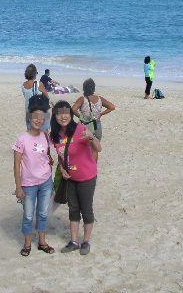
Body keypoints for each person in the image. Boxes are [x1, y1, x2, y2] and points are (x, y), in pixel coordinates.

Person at [51, 100, 101, 255]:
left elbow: (99, 148)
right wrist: (61, 168)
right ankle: (73, 241)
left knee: (86, 209)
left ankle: (85, 241)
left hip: (87, 177)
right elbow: (61, 155)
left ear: (71, 115)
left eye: (66, 113)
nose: (63, 117)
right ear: (55, 116)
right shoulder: (55, 135)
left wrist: (91, 137)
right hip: (70, 178)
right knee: (73, 209)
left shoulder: (80, 129)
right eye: (59, 114)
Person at [12, 95, 55, 257]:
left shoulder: (45, 136)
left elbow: (49, 153)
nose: (38, 120)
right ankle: (27, 243)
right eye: (35, 116)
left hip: (46, 182)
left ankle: (42, 242)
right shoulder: (21, 139)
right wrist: (18, 187)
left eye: (41, 117)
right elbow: (16, 165)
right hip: (28, 184)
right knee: (28, 215)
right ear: (29, 117)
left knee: (43, 213)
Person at [72, 78, 115, 161]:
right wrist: (101, 114)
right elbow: (112, 107)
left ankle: (84, 164)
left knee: (83, 147)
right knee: (95, 148)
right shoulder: (100, 98)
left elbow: (73, 109)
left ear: (84, 88)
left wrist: (81, 117)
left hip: (85, 126)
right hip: (96, 125)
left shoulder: (82, 99)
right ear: (93, 88)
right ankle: (93, 166)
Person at [21, 64, 50, 131]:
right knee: (44, 130)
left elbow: (26, 96)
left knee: (30, 130)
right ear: (34, 74)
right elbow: (47, 97)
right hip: (39, 110)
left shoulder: (23, 85)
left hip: (28, 109)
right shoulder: (39, 84)